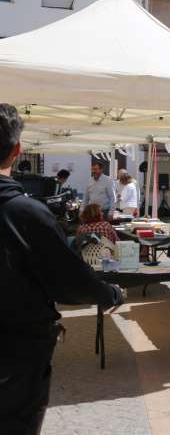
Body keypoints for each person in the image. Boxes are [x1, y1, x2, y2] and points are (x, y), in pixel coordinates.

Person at [0, 103, 123, 433]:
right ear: (16, 150)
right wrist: (110, 294)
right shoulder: (26, 214)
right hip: (17, 354)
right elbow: (70, 280)